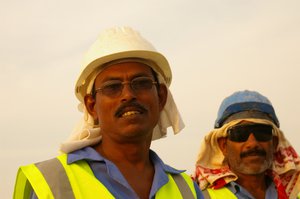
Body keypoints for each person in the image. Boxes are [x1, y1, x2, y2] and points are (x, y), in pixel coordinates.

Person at [13, 26, 203, 199]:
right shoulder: (53, 183)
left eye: (141, 83)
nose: (128, 95)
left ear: (161, 97)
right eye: (112, 87)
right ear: (91, 106)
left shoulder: (187, 190)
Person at [193, 90, 300, 199]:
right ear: (223, 146)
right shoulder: (201, 196)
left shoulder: (294, 193)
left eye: (261, 132)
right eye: (240, 133)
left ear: (274, 143)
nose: (253, 144)